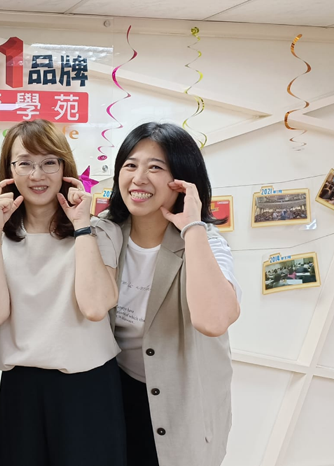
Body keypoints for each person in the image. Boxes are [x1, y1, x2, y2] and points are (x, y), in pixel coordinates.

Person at [0, 120, 126, 466]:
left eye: (48, 163)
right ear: (9, 172)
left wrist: (81, 225)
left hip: (88, 387)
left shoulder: (99, 231)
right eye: (24, 163)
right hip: (22, 388)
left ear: (64, 167)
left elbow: (95, 306)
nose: (37, 175)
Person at [105, 122, 242, 466]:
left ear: (181, 180)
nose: (139, 178)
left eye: (155, 168)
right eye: (130, 165)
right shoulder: (105, 234)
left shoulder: (206, 243)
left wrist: (193, 227)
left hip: (181, 405)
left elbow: (214, 321)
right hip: (113, 393)